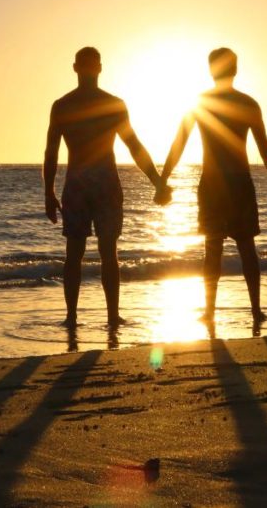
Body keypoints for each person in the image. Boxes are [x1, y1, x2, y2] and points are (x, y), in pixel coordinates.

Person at [159, 47, 267, 323]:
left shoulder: (201, 102)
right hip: (239, 183)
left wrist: (163, 179)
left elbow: (179, 142)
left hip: (213, 184)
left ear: (211, 70)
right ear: (236, 69)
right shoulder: (247, 103)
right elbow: (264, 147)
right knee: (246, 248)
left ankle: (210, 311)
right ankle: (254, 310)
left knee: (213, 249)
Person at [44, 47, 172, 327]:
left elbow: (134, 146)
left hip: (87, 184)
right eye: (88, 66)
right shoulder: (78, 105)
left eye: (89, 67)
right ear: (83, 68)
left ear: (81, 68)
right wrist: (158, 182)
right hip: (97, 184)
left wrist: (158, 181)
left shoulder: (67, 105)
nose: (89, 71)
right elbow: (52, 152)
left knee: (84, 253)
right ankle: (99, 316)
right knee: (97, 253)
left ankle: (80, 317)